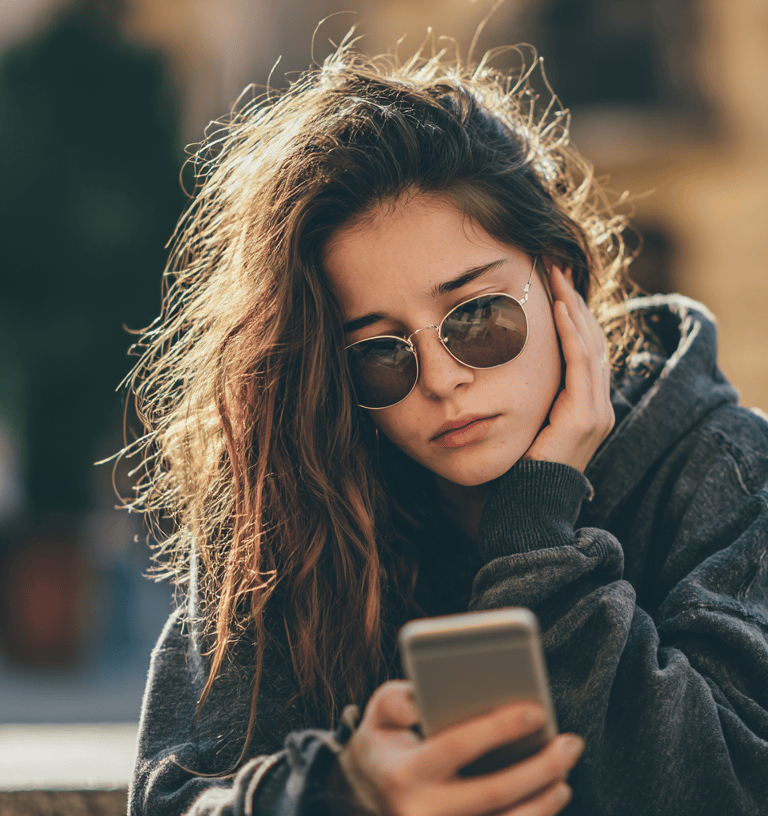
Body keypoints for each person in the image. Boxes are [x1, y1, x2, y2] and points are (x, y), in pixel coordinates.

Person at [126, 41, 768, 816]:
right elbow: (171, 800)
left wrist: (537, 535)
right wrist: (341, 796)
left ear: (559, 275)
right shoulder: (285, 502)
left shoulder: (723, 472)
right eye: (380, 354)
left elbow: (729, 786)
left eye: (477, 317)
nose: (441, 379)